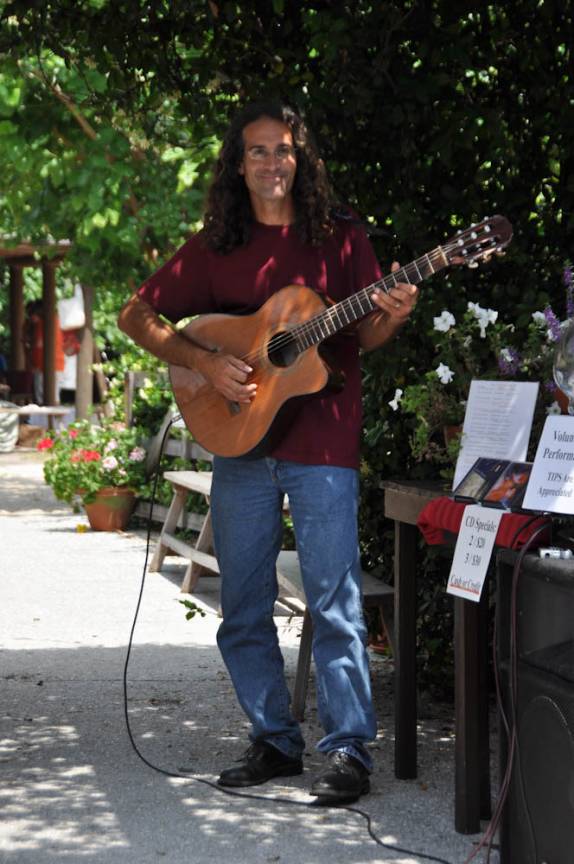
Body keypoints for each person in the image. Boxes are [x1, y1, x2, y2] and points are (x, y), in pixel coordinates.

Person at [118, 100, 418, 803]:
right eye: (257, 151)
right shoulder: (221, 241)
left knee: (335, 601)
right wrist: (204, 360)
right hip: (239, 444)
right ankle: (275, 742)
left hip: (324, 442)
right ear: (238, 163)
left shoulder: (341, 239)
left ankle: (348, 753)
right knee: (244, 603)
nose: (272, 163)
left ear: (301, 157)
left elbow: (361, 339)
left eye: (282, 150)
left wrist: (390, 318)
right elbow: (137, 313)